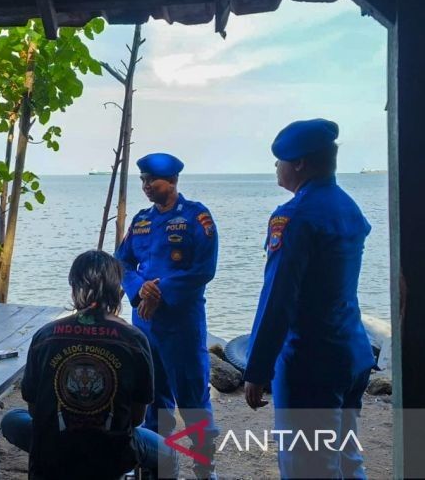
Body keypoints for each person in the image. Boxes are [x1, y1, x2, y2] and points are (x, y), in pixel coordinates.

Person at [243, 119, 375, 478]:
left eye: (280, 159)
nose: (276, 167)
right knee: (347, 460)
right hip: (352, 352)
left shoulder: (294, 216)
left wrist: (257, 368)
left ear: (299, 163)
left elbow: (279, 299)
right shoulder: (347, 205)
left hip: (309, 363)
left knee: (308, 467)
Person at [1, 250, 179, 480]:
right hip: (112, 455)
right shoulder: (134, 340)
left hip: (51, 454)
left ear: (74, 288)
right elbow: (135, 418)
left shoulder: (45, 336)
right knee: (169, 456)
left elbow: (35, 411)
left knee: (12, 420)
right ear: (118, 292)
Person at [115, 152, 219, 478]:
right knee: (150, 397)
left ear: (172, 181)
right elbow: (121, 262)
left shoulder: (195, 217)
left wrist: (161, 292)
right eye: (143, 180)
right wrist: (139, 289)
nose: (145, 186)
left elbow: (203, 269)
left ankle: (204, 467)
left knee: (193, 398)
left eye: (152, 181)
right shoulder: (141, 220)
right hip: (144, 326)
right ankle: (156, 465)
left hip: (181, 325)